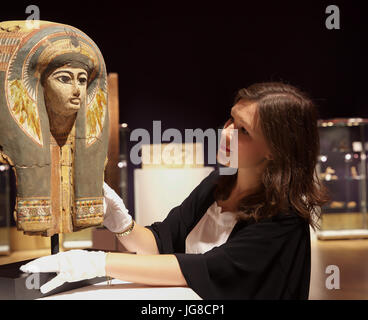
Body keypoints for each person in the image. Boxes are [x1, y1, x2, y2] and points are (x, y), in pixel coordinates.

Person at [20, 81, 330, 299]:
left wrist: (95, 262)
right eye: (230, 120)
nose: (226, 133)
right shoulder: (216, 185)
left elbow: (206, 269)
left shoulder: (284, 220)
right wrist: (121, 223)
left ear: (275, 149)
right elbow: (160, 243)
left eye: (244, 131)